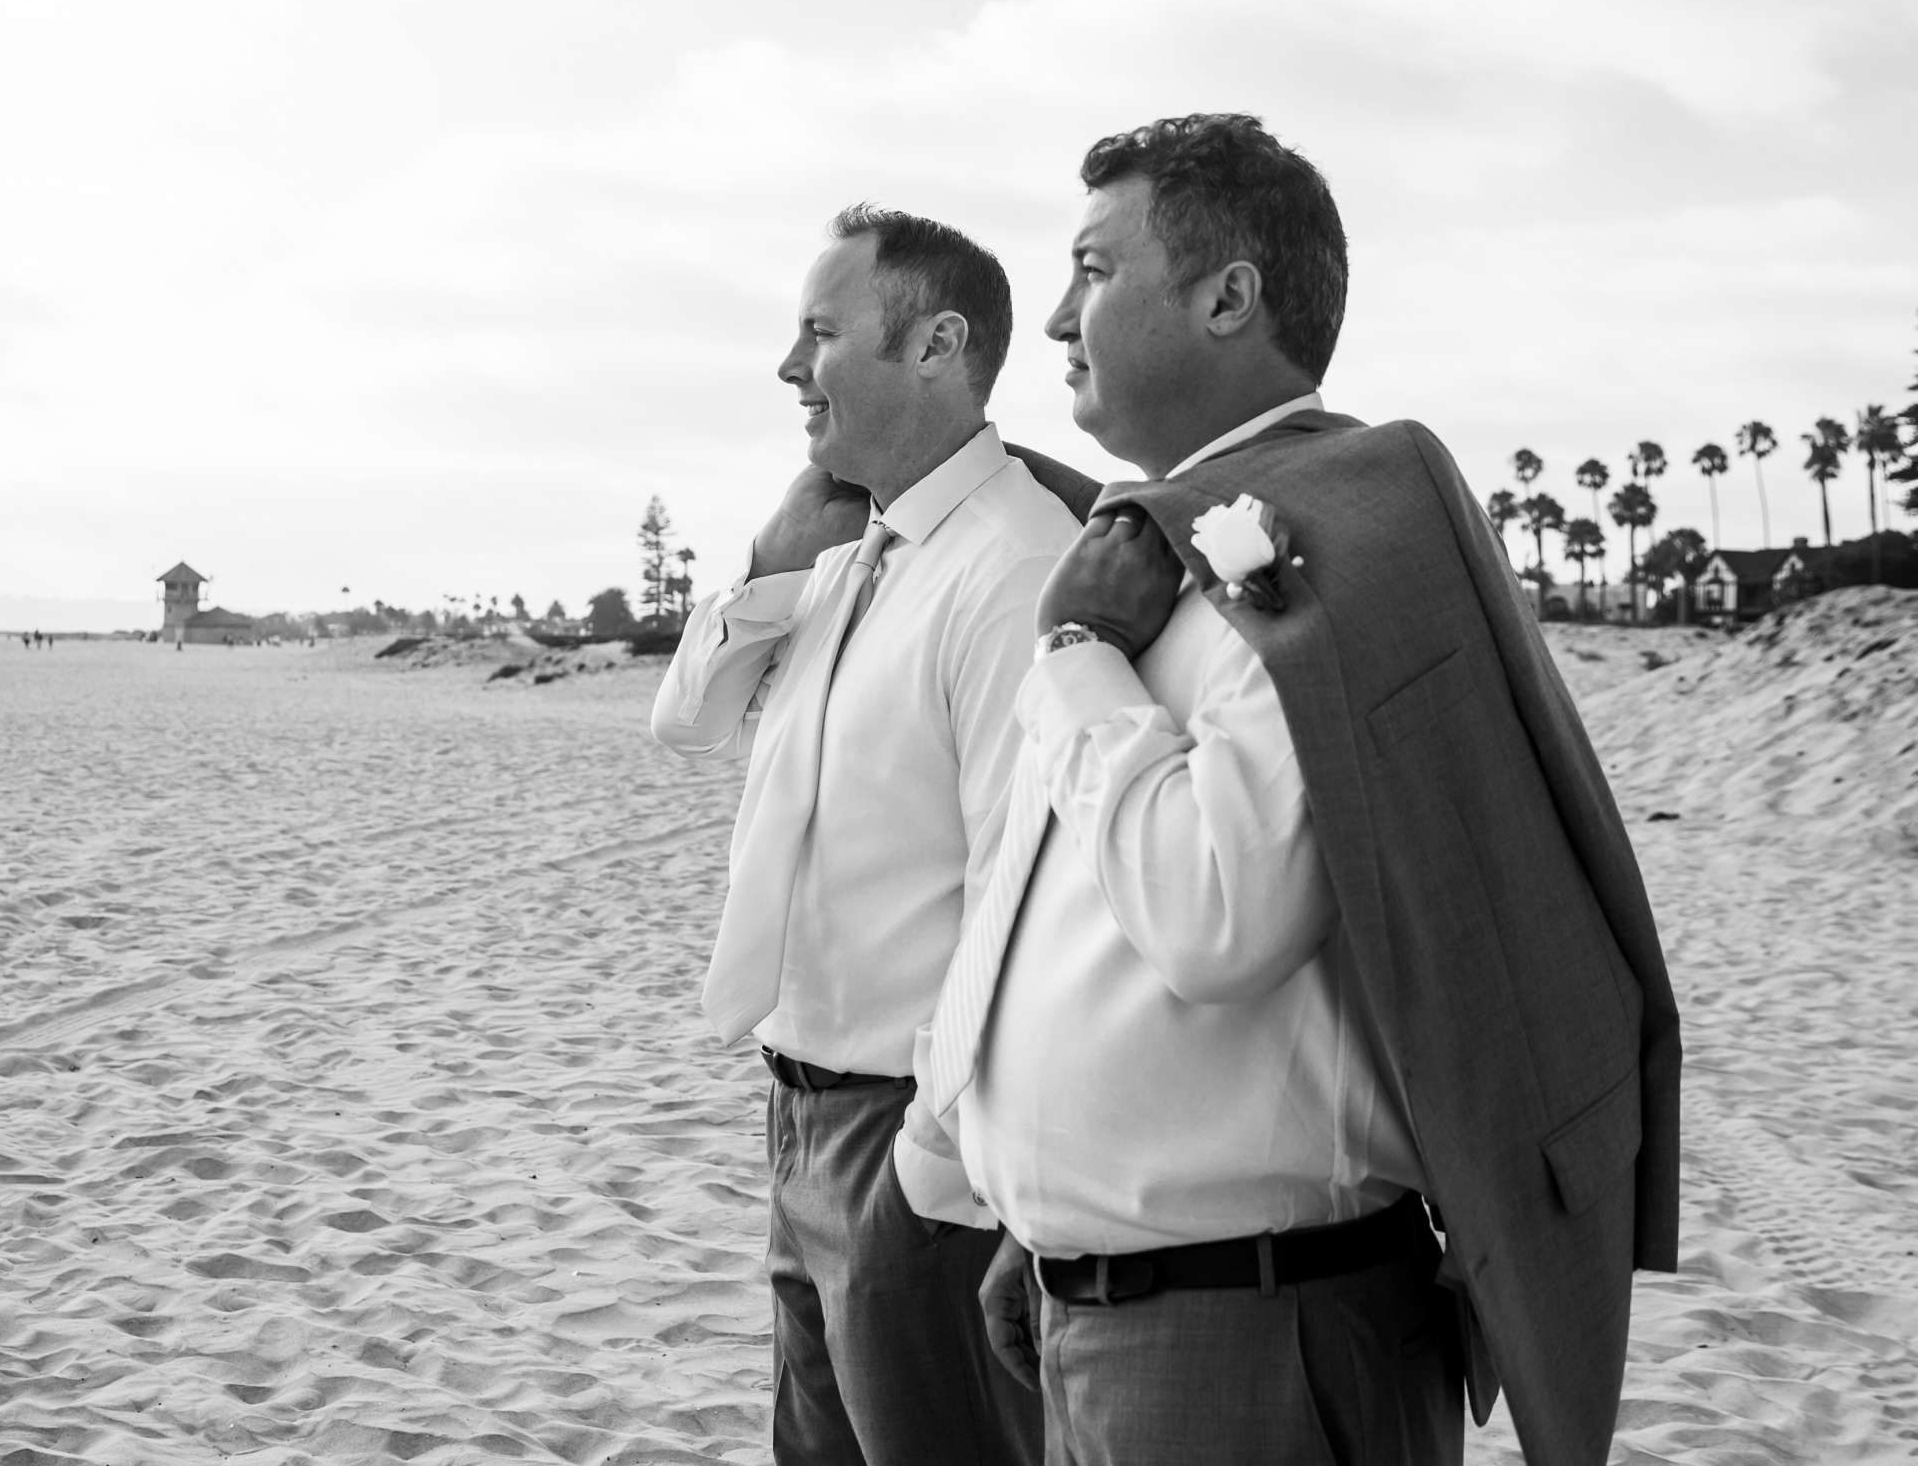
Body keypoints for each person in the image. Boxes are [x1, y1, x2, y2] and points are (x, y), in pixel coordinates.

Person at [906, 113, 1681, 1466]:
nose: (1057, 321)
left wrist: (1081, 656)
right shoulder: (1152, 547)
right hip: (1114, 1307)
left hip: (1254, 1337)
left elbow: (1216, 919)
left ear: (1225, 295)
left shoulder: (1323, 545)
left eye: (1095, 269)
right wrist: (1041, 1219)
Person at [651, 205, 1085, 1466]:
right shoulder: (845, 558)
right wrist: (773, 554)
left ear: (939, 345)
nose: (791, 369)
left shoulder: (1016, 570)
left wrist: (936, 1168)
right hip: (790, 1114)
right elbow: (686, 720)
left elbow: (1029, 903)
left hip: (915, 1137)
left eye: (822, 333)